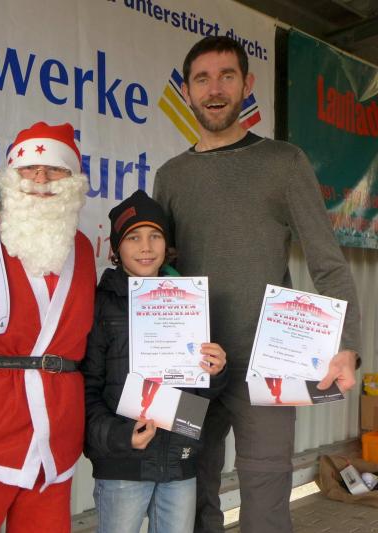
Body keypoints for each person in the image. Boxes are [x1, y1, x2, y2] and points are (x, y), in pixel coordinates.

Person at [153, 36, 361, 533]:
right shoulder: (171, 176)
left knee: (266, 495)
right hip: (193, 363)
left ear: (247, 84)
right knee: (189, 489)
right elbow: (159, 273)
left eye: (227, 76)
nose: (214, 89)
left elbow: (327, 262)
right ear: (186, 91)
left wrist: (347, 344)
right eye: (202, 79)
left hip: (268, 363)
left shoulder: (283, 163)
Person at [0, 122, 96, 533]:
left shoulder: (82, 247)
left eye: (55, 169)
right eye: (29, 168)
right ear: (9, 177)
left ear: (73, 180)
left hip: (57, 425)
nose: (41, 178)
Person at [82, 189, 228, 533]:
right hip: (123, 463)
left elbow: (203, 392)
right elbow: (86, 389)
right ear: (116, 247)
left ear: (167, 244)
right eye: (133, 237)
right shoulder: (100, 304)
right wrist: (121, 436)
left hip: (179, 463)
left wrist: (217, 371)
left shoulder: (189, 302)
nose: (146, 247)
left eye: (155, 236)